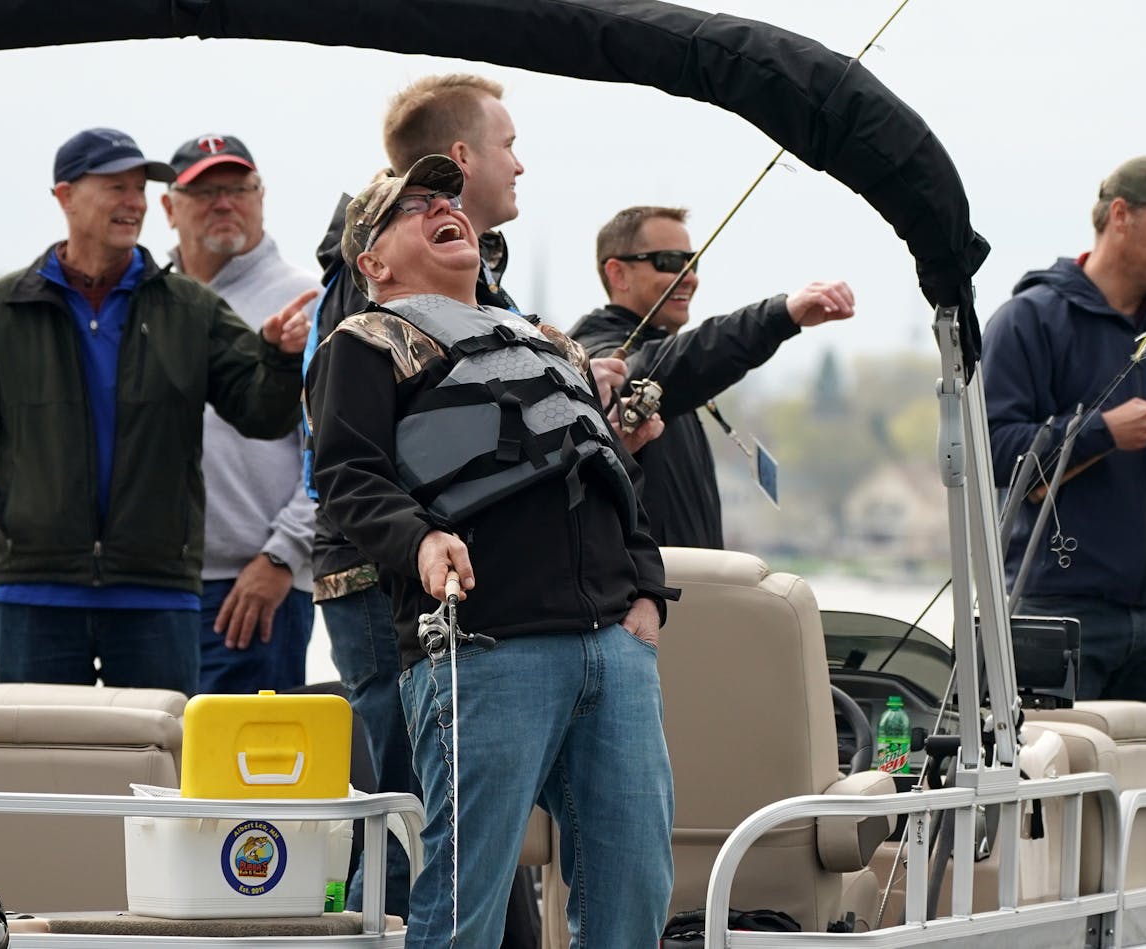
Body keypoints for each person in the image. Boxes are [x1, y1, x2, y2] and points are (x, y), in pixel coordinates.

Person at [306, 156, 677, 949]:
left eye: (448, 197)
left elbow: (611, 473)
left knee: (636, 892)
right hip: (482, 647)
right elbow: (347, 477)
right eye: (413, 207)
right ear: (372, 261)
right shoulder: (365, 342)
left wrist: (646, 597)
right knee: (461, 902)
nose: (444, 206)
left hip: (612, 649)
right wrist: (422, 539)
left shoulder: (553, 343)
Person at [0, 127, 311, 695]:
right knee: (48, 775)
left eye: (138, 188)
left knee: (169, 775)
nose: (133, 202)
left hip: (158, 594)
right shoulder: (2, 309)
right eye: (115, 187)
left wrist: (277, 360)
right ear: (64, 196)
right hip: (36, 591)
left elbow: (261, 415)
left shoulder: (191, 308)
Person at [981, 155, 1146, 744]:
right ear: (1119, 215)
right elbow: (991, 453)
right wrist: (1101, 430)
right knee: (1044, 810)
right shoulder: (1027, 322)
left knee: (1144, 815)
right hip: (1056, 613)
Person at [567, 205, 856, 548]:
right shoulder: (592, 356)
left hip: (688, 591)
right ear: (617, 274)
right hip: (642, 595)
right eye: (671, 262)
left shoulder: (664, 354)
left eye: (693, 262)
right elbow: (672, 363)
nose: (689, 276)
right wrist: (781, 315)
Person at [161, 133, 319, 695]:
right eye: (205, 192)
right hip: (151, 588)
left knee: (243, 777)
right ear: (168, 208)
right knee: (145, 771)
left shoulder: (309, 299)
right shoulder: (150, 301)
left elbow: (337, 447)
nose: (224, 203)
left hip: (253, 586)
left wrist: (283, 558)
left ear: (261, 196)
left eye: (238, 188)